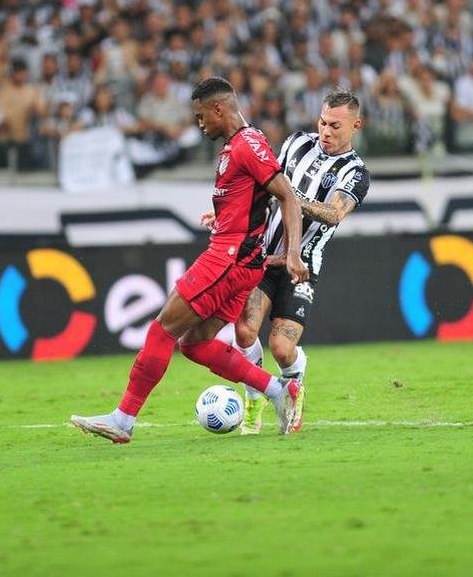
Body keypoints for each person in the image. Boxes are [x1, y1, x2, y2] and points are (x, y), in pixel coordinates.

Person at [71, 77, 309, 443]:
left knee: (161, 328)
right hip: (239, 260)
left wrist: (292, 253)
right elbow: (255, 200)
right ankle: (278, 391)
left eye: (201, 116)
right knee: (194, 344)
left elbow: (288, 197)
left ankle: (123, 419)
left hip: (228, 259)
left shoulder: (246, 145)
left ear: (219, 109)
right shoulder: (239, 145)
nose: (199, 124)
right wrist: (226, 217)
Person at [222, 88, 370, 434]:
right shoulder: (295, 144)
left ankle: (294, 388)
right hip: (264, 254)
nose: (326, 131)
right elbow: (262, 187)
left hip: (301, 266)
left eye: (335, 125)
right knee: (244, 329)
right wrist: (227, 215)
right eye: (322, 122)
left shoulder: (356, 172)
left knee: (281, 346)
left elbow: (333, 214)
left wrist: (290, 197)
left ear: (356, 125)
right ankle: (255, 395)